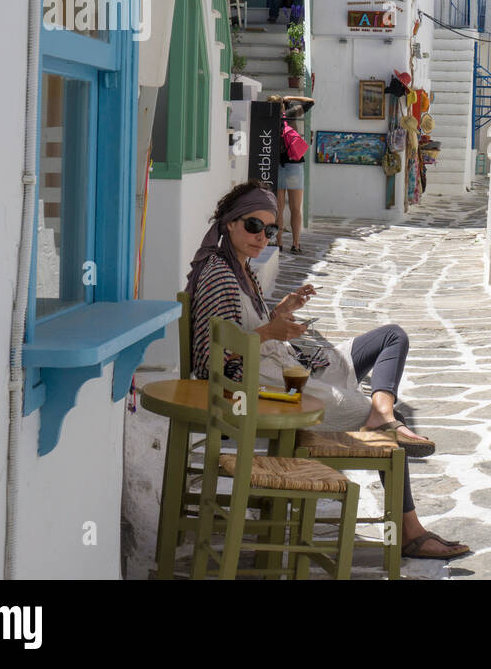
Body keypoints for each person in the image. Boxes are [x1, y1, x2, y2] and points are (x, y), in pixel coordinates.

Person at [185, 181, 470, 561]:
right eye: (254, 226)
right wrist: (270, 331)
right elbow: (211, 363)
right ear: (230, 224)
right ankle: (408, 532)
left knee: (391, 337)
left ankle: (380, 410)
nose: (262, 237)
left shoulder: (240, 269)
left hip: (292, 369)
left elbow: (243, 331)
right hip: (273, 390)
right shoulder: (219, 275)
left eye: (271, 230)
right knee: (392, 429)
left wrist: (279, 313)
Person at [275, 96, 312, 255]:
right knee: (296, 208)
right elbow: (311, 102)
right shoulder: (291, 113)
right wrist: (291, 97)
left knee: (279, 209)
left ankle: (279, 242)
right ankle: (296, 244)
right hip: (294, 166)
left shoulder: (269, 118)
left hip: (276, 165)